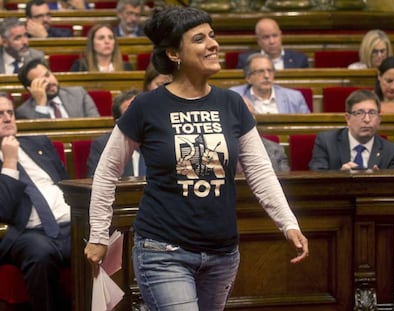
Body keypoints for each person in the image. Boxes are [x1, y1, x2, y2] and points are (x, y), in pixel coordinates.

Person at [84, 6, 308, 311]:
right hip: (162, 250)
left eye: (213, 36)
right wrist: (98, 233)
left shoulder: (232, 103)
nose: (213, 44)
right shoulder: (146, 106)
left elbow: (260, 171)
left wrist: (288, 223)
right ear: (175, 53)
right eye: (200, 39)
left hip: (222, 253)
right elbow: (108, 170)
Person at [0, 92, 71, 311]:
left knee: (106, 238)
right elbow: (3, 209)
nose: (7, 118)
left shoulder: (37, 143)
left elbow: (65, 183)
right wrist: (10, 161)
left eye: (10, 112)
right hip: (27, 232)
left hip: (70, 225)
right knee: (39, 253)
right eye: (0, 114)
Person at [309, 89, 394, 171]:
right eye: (359, 113)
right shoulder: (327, 142)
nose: (367, 119)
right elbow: (317, 179)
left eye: (372, 113)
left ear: (379, 119)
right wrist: (339, 176)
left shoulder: (391, 152)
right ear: (348, 118)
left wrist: (379, 181)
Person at [87, 89, 146, 177]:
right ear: (119, 123)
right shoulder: (104, 145)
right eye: (132, 114)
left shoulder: (166, 141)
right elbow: (95, 182)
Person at [16, 58, 100, 119]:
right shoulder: (23, 113)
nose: (48, 82)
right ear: (30, 89)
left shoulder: (79, 94)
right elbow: (41, 139)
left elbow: (96, 125)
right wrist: (41, 105)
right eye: (41, 81)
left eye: (47, 75)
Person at [230, 53, 310, 114]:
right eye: (260, 71)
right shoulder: (236, 97)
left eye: (270, 71)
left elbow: (307, 129)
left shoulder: (294, 97)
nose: (266, 76)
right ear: (248, 78)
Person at [237, 17, 309, 70]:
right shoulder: (246, 61)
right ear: (258, 40)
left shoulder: (299, 59)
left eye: (275, 36)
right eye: (266, 37)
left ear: (281, 35)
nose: (272, 41)